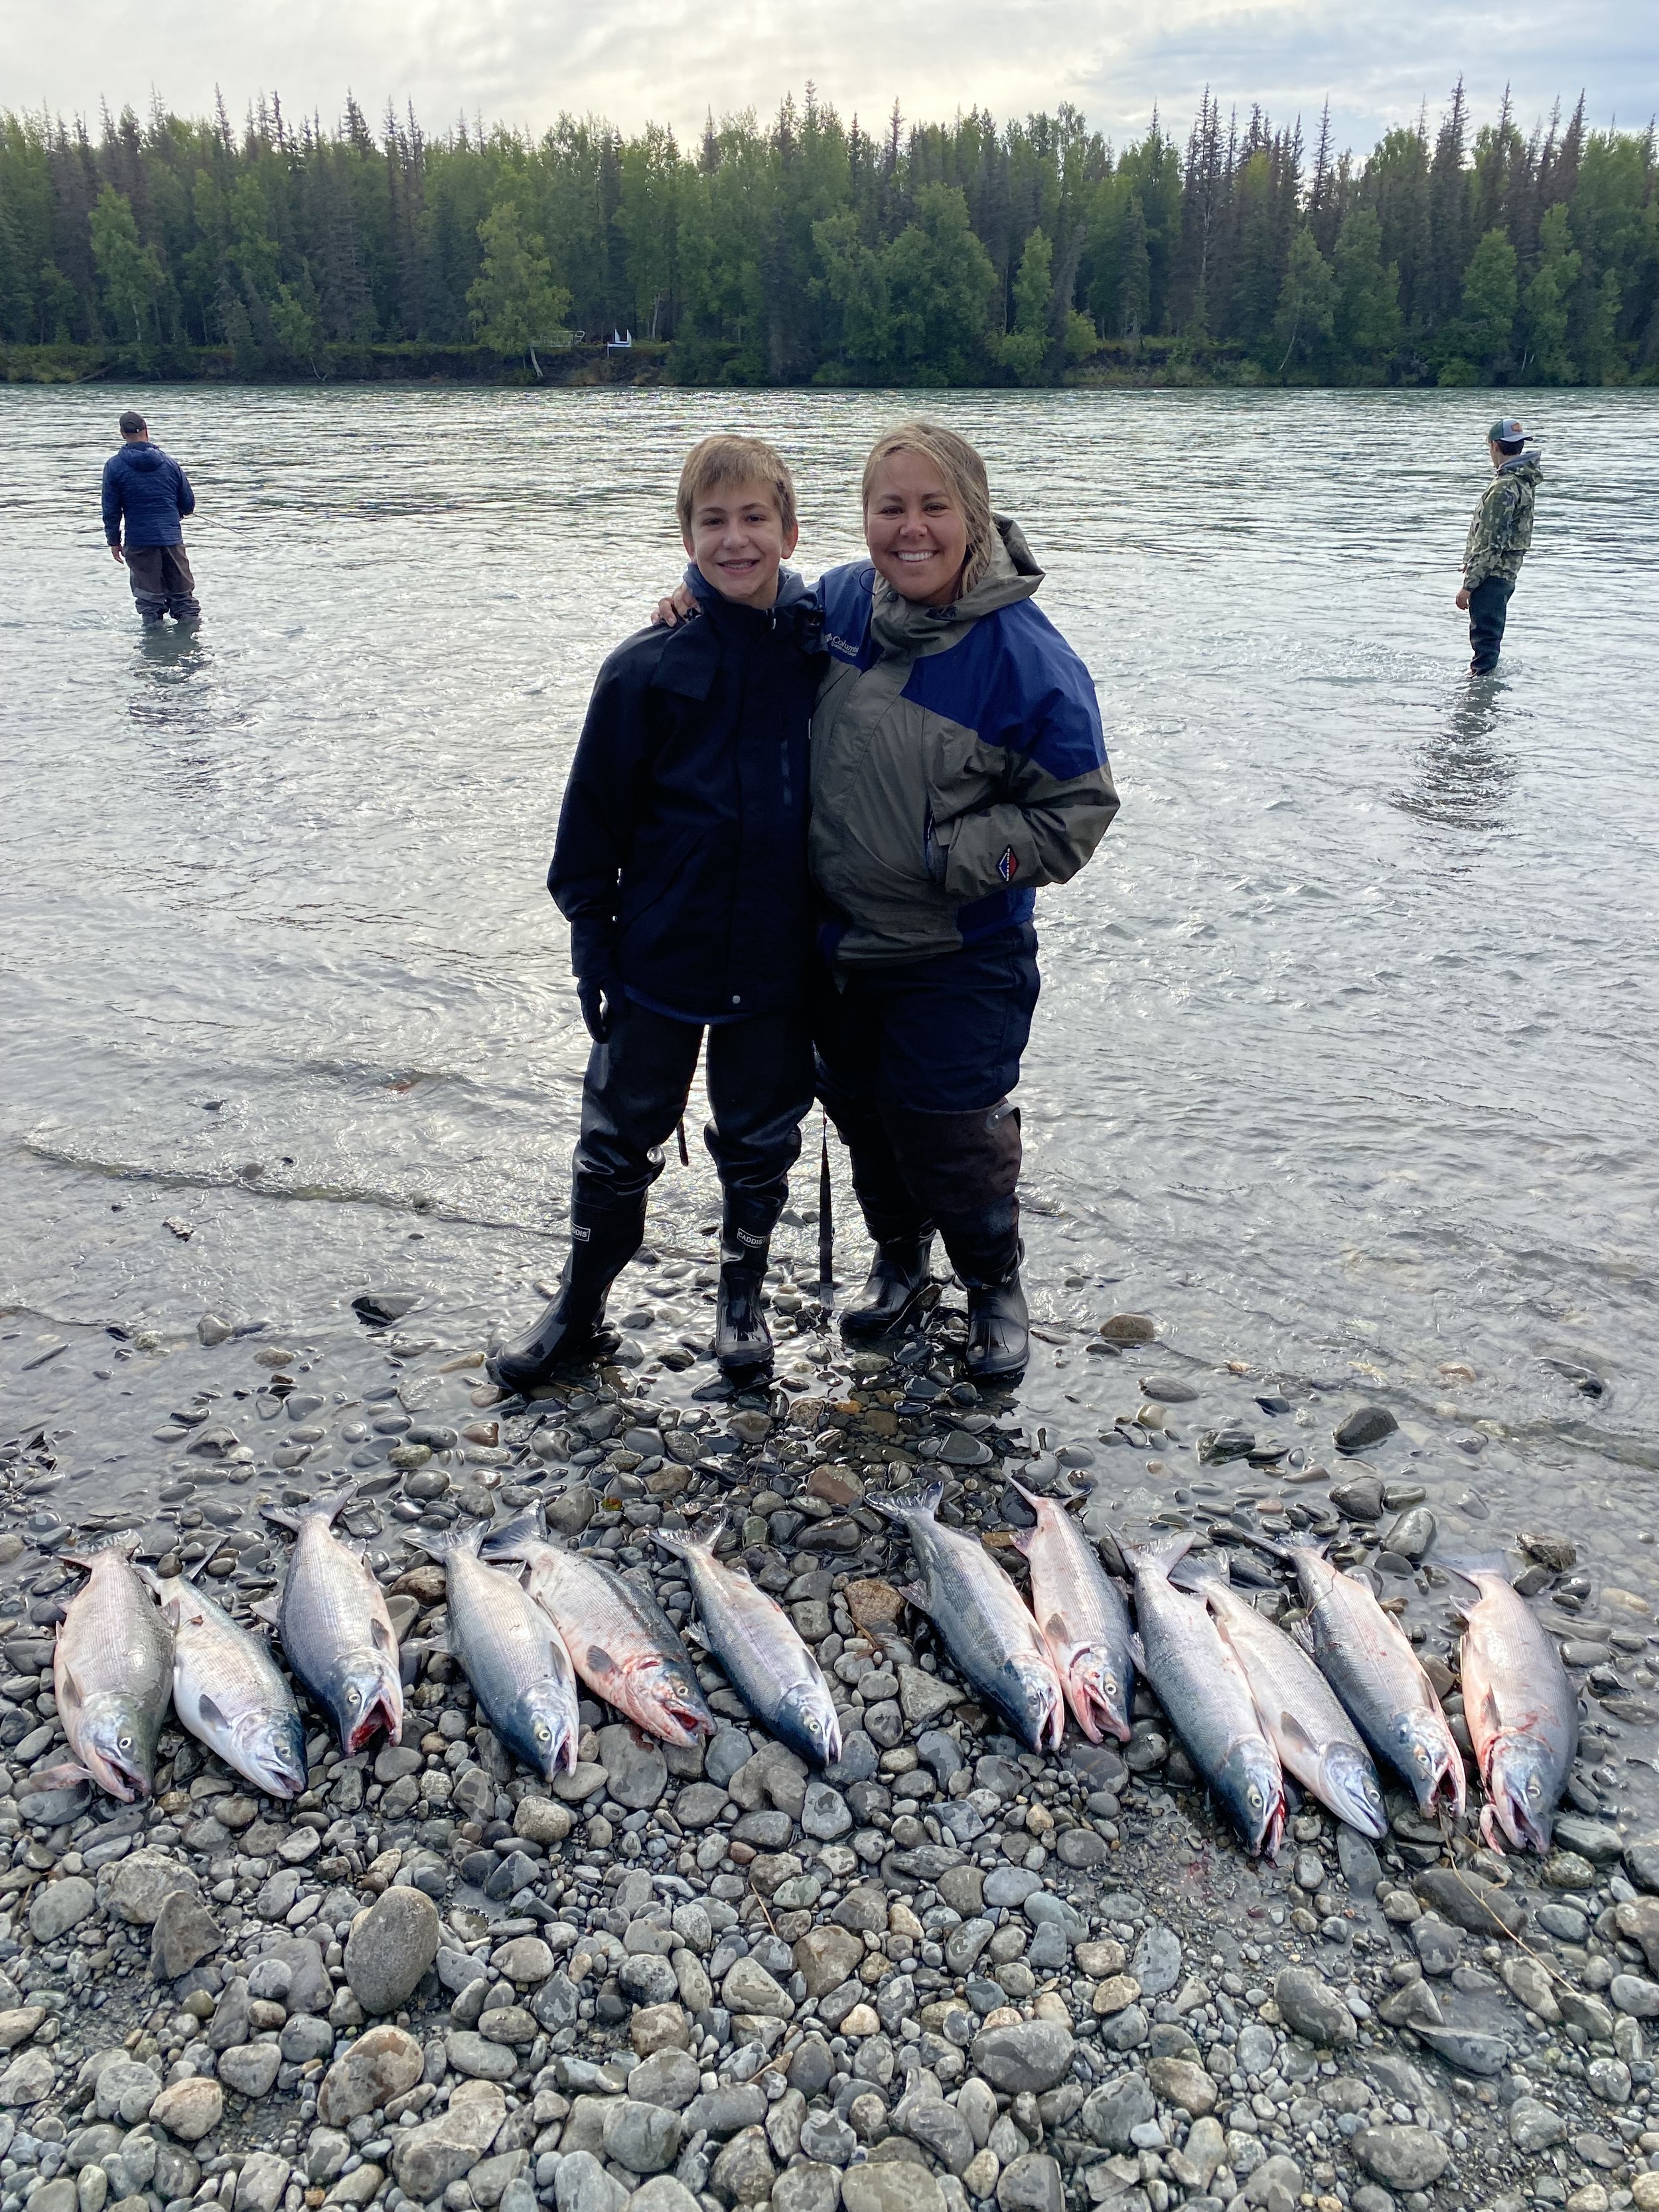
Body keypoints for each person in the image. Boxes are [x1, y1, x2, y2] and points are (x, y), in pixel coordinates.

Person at [487, 435, 824, 1396]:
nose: (735, 539)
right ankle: (579, 1306)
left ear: (789, 531)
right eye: (713, 522)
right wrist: (591, 945)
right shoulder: (642, 667)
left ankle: (741, 1303)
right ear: (686, 538)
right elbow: (589, 828)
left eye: (754, 518)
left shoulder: (826, 648)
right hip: (658, 951)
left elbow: (912, 598)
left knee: (760, 1138)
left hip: (780, 957)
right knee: (616, 1137)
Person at [807, 422, 1118, 1381]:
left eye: (934, 507)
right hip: (837, 945)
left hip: (960, 951)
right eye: (890, 507)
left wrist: (945, 852)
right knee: (861, 1112)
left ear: (973, 518)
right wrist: (688, 597)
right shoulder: (836, 604)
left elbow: (1076, 815)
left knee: (947, 1130)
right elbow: (743, 605)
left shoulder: (1028, 659)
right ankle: (900, 1262)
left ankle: (992, 1282)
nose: (912, 529)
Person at [1456, 417, 1541, 676]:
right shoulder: (1522, 481)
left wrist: (1469, 585)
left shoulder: (1504, 487)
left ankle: (1478, 694)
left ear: (1494, 446)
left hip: (1491, 578)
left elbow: (1490, 544)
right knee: (1489, 644)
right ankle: (1484, 690)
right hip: (1505, 574)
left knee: (1484, 649)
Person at [102, 410, 200, 627]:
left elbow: (111, 510)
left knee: (150, 604)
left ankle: (154, 644)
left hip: (139, 542)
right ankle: (191, 640)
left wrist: (114, 541)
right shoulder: (170, 463)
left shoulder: (114, 466)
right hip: (171, 540)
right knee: (184, 601)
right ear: (146, 431)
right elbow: (188, 505)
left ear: (123, 434)